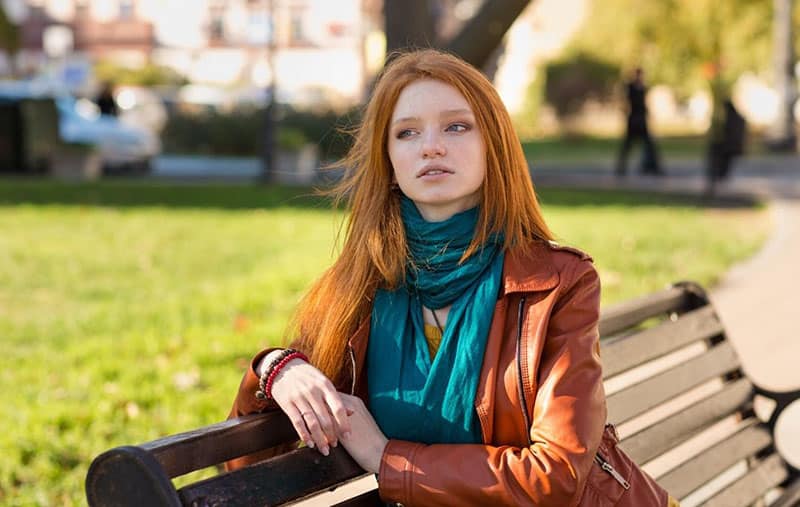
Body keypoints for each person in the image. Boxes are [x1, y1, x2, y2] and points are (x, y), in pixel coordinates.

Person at [228, 49, 671, 506]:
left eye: (456, 126)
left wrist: (388, 459)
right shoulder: (361, 285)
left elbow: (556, 476)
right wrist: (275, 369)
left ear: (492, 148)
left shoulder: (558, 283)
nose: (430, 146)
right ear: (391, 164)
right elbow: (246, 474)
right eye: (407, 133)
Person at [616, 67, 662, 176]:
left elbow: (644, 104)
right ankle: (621, 169)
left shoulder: (643, 88)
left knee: (649, 145)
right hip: (633, 121)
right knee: (627, 146)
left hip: (641, 120)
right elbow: (627, 102)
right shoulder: (631, 87)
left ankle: (654, 167)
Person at [706, 98, 746, 194]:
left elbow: (729, 133)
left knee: (723, 163)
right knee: (725, 164)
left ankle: (719, 178)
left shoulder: (731, 119)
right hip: (732, 146)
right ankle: (720, 178)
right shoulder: (737, 118)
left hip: (729, 146)